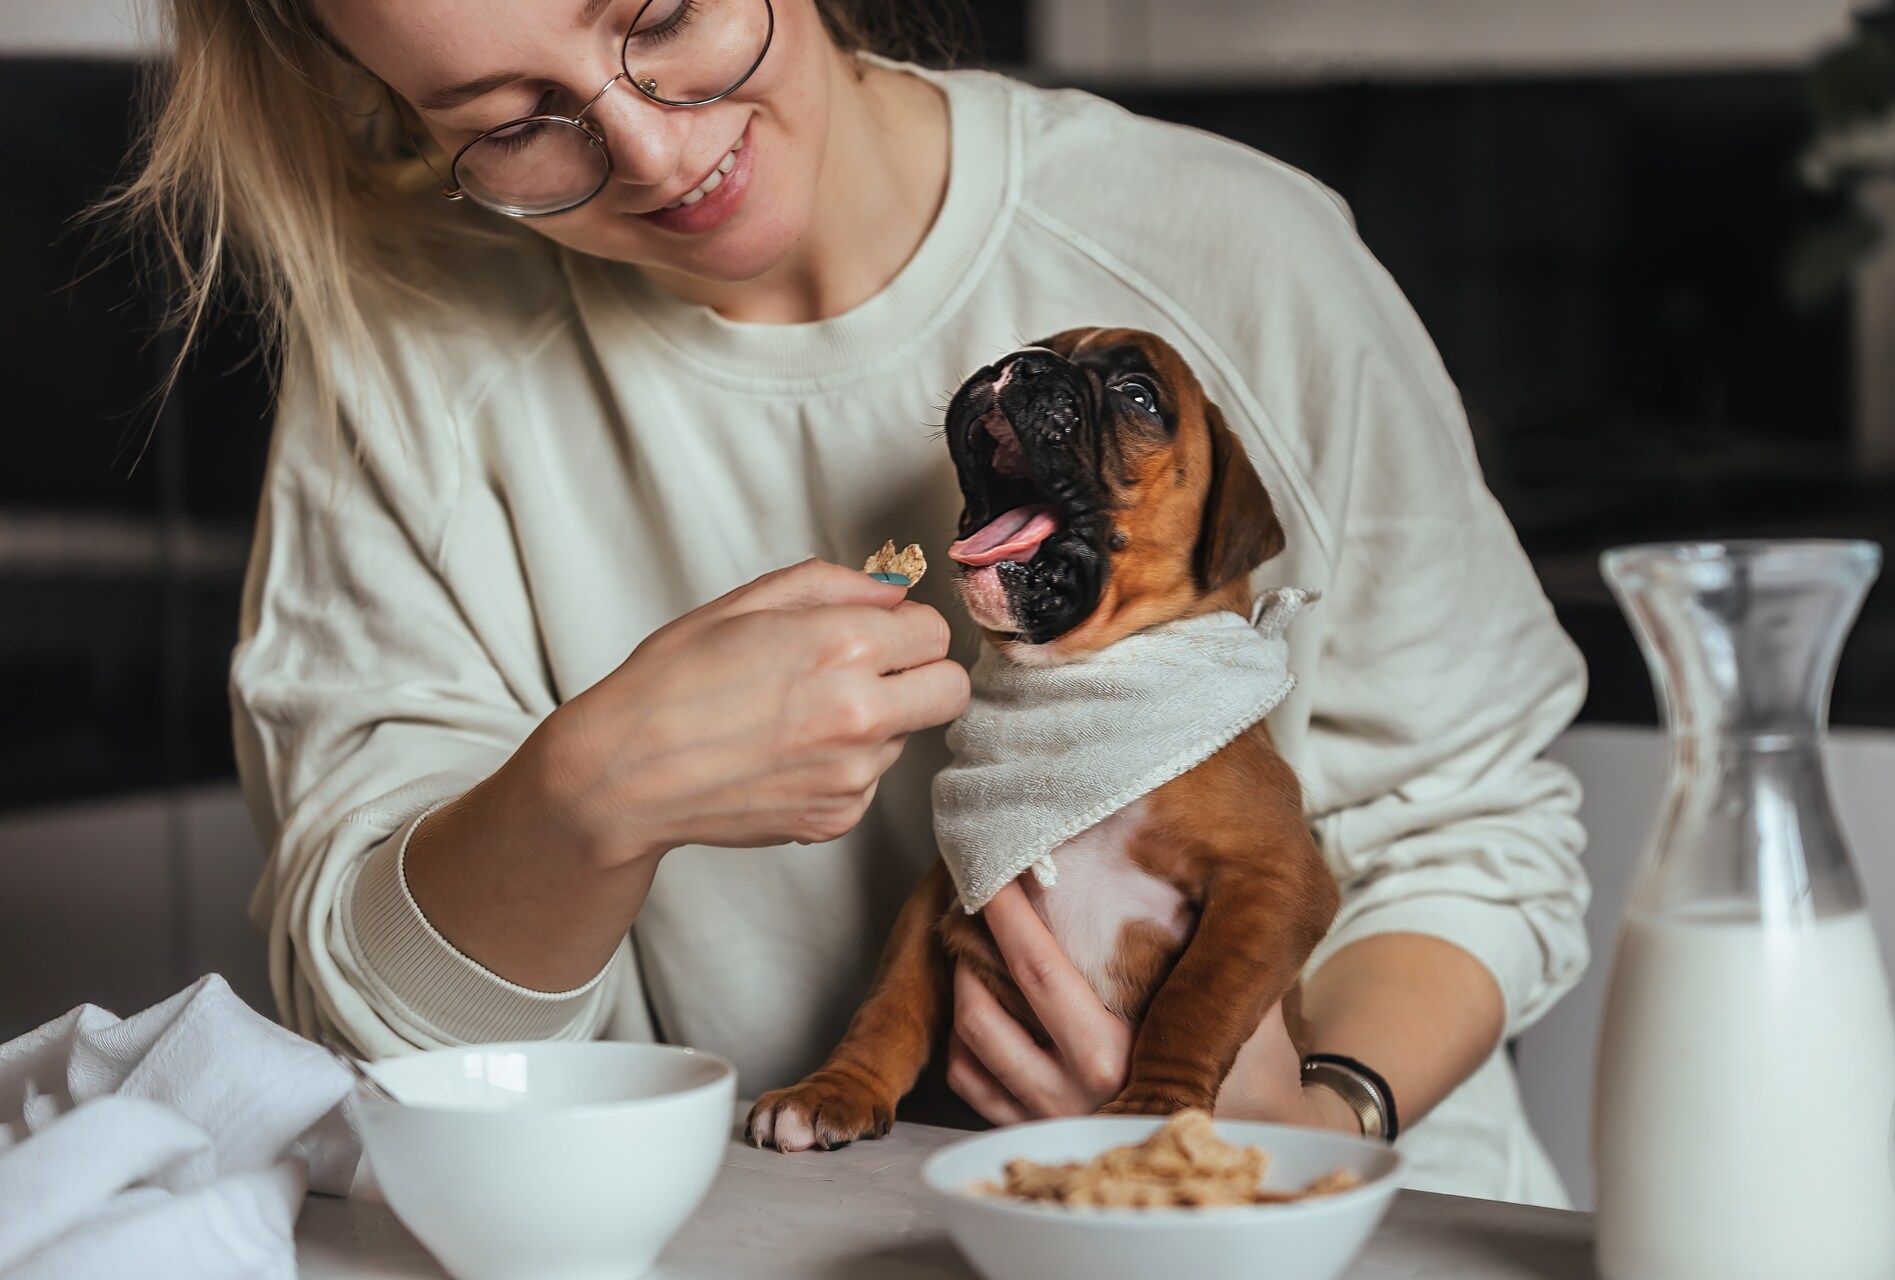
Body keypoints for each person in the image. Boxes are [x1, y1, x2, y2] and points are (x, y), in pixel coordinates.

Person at [116, 0, 1590, 1206]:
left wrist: (1290, 1121)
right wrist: (583, 799)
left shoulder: (1239, 256)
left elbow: (1482, 829)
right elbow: (365, 1026)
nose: (648, 149)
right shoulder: (408, 354)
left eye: (666, 16)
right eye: (508, 124)